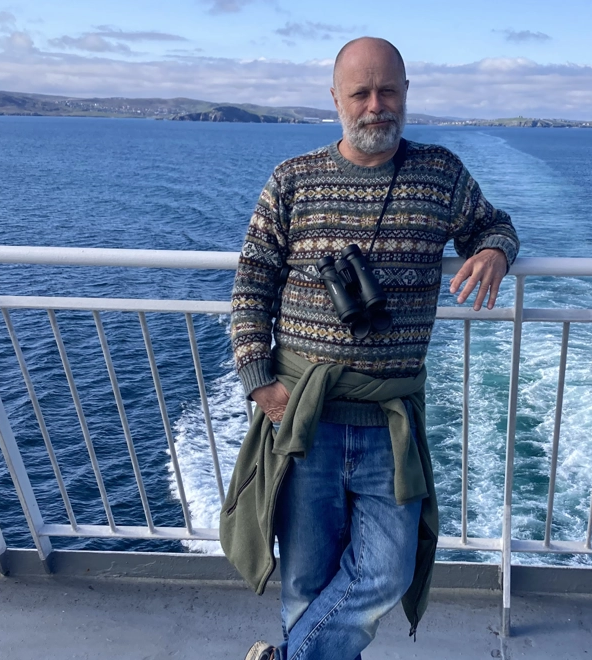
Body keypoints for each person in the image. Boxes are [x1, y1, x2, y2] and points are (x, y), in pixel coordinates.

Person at [221, 36, 520, 660]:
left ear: (406, 93)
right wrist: (258, 378)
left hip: (389, 420)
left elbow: (492, 223)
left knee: (386, 571)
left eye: (388, 90)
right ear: (335, 98)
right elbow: (252, 281)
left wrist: (493, 250)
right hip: (304, 415)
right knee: (305, 579)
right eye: (361, 92)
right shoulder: (293, 181)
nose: (376, 105)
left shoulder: (439, 174)